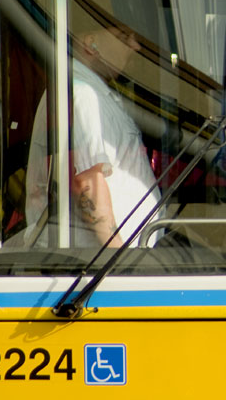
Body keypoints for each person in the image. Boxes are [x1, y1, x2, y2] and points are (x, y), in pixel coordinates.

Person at [24, 19, 161, 248]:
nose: (135, 46)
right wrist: (116, 257)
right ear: (90, 44)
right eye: (124, 36)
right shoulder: (83, 95)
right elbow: (86, 182)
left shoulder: (87, 91)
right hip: (103, 266)